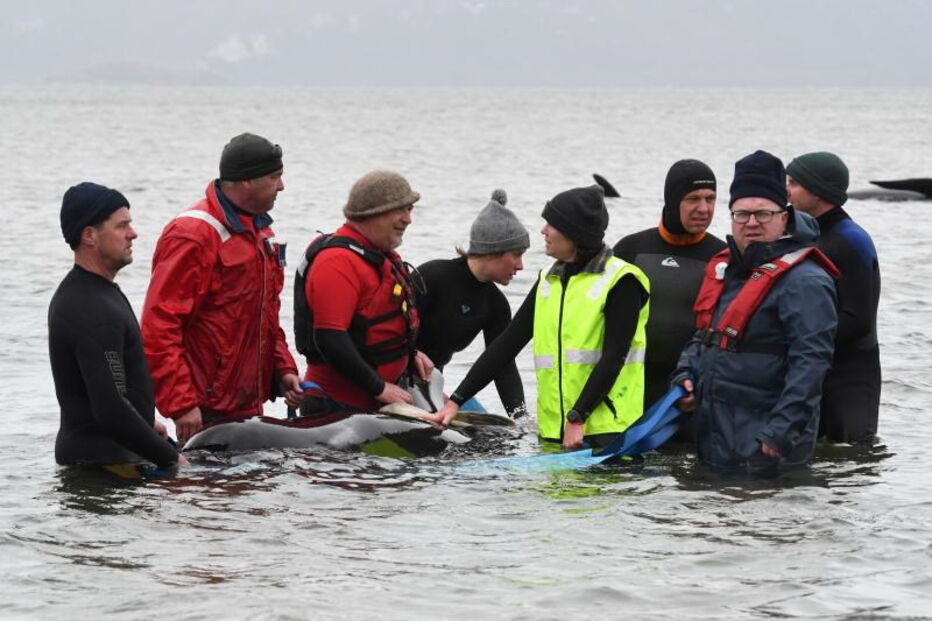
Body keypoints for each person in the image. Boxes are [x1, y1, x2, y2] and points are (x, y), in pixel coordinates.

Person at [430, 185, 651, 450]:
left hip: (607, 432)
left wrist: (578, 416)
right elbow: (506, 345)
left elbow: (614, 356)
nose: (543, 231)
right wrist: (456, 400)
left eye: (551, 224)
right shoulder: (549, 279)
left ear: (574, 233)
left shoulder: (622, 281)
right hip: (554, 432)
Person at [673, 150, 838, 474]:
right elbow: (704, 336)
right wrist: (683, 375)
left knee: (768, 524)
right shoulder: (728, 270)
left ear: (784, 217)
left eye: (762, 213)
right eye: (741, 214)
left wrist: (779, 434)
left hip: (769, 445)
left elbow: (812, 363)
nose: (750, 223)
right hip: (716, 435)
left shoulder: (806, 281)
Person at [142, 133, 301, 444]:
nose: (282, 187)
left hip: (247, 405)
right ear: (246, 182)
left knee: (251, 489)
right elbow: (159, 325)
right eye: (274, 177)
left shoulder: (259, 230)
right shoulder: (193, 235)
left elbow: (265, 316)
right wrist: (181, 404)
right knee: (207, 492)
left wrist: (283, 369)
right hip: (206, 411)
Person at [49, 182, 186, 470]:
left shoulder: (97, 292)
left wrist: (147, 422)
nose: (133, 233)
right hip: (103, 468)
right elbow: (110, 409)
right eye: (122, 226)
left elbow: (110, 388)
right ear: (90, 236)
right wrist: (172, 459)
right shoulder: (90, 308)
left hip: (114, 456)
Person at [294, 170, 433, 416]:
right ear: (372, 213)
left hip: (377, 405)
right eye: (400, 210)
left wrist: (410, 354)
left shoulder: (379, 254)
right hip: (335, 407)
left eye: (410, 210)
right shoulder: (336, 262)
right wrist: (378, 387)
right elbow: (330, 338)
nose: (408, 219)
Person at [613, 159, 726, 439]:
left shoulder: (722, 256)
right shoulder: (631, 250)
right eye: (693, 199)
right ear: (672, 200)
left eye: (711, 199)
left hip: (688, 395)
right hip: (631, 393)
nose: (704, 208)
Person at [787, 152, 881, 444]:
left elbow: (858, 319)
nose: (785, 190)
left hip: (850, 376)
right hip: (812, 371)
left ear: (818, 191)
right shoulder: (805, 236)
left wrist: (801, 344)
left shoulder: (852, 240)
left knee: (848, 461)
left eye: (793, 183)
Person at [415, 189, 529, 417]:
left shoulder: (495, 304)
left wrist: (520, 418)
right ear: (492, 252)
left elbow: (502, 364)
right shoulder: (432, 276)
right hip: (392, 379)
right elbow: (387, 330)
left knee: (493, 434)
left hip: (431, 385)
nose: (521, 266)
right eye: (516, 255)